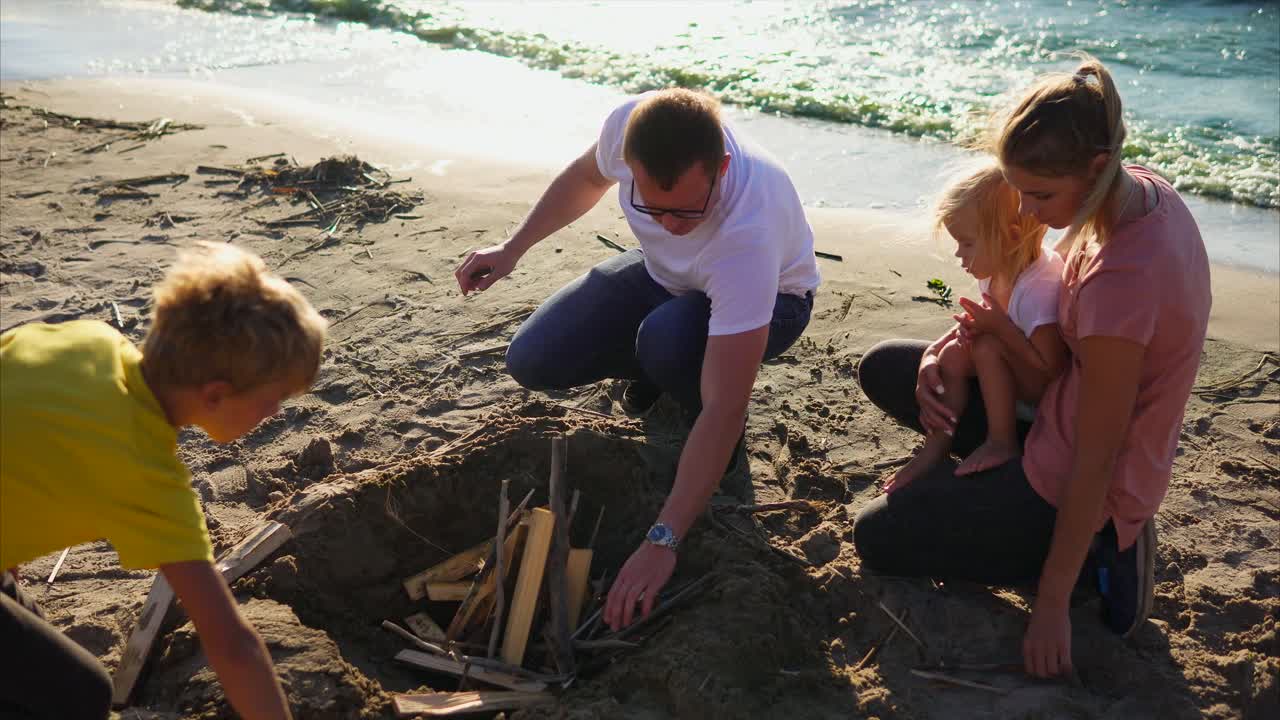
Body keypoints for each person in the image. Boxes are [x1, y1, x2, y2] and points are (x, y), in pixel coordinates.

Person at [852, 55, 1211, 678]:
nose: (1024, 210)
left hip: (1080, 476)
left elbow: (1095, 458)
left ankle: (1105, 548)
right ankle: (1008, 492)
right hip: (1055, 408)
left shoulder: (1121, 283)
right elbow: (1020, 315)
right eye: (1018, 188)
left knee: (877, 538)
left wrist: (1047, 605)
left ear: (1097, 168)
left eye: (1040, 194)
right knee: (891, 368)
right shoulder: (1138, 190)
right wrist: (949, 347)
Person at [452, 88, 820, 630]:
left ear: (720, 167)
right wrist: (512, 249)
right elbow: (584, 179)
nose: (670, 224)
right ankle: (666, 372)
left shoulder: (747, 233)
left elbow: (726, 407)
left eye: (687, 209)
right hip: (661, 276)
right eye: (654, 207)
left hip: (775, 302)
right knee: (534, 358)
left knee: (671, 344)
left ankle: (696, 413)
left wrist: (664, 537)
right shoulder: (629, 127)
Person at [1, 242, 327, 720]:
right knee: (82, 695)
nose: (275, 413)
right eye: (273, 398)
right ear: (215, 394)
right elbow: (232, 644)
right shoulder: (148, 478)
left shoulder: (88, 340)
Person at [883, 163, 1065, 493]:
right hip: (1010, 379)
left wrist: (1000, 329)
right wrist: (932, 353)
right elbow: (972, 323)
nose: (958, 253)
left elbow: (1051, 370)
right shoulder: (996, 270)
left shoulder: (1040, 287)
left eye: (967, 243)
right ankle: (936, 448)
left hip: (1041, 399)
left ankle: (1002, 441)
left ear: (1010, 237)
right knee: (954, 353)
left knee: (986, 345)